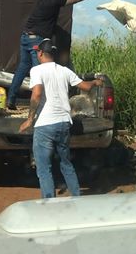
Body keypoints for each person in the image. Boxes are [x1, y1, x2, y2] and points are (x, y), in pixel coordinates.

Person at [19, 39, 102, 199]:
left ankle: (50, 203)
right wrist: (95, 82)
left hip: (45, 125)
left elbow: (36, 93)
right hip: (64, 123)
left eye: (37, 51)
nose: (37, 54)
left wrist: (30, 119)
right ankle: (76, 197)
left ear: (41, 53)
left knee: (44, 168)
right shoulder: (65, 71)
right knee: (66, 163)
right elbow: (85, 86)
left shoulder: (37, 71)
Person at [7, 0, 101, 109]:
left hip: (25, 37)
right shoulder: (56, 0)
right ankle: (40, 106)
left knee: (22, 69)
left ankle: (11, 99)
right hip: (36, 41)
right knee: (41, 73)